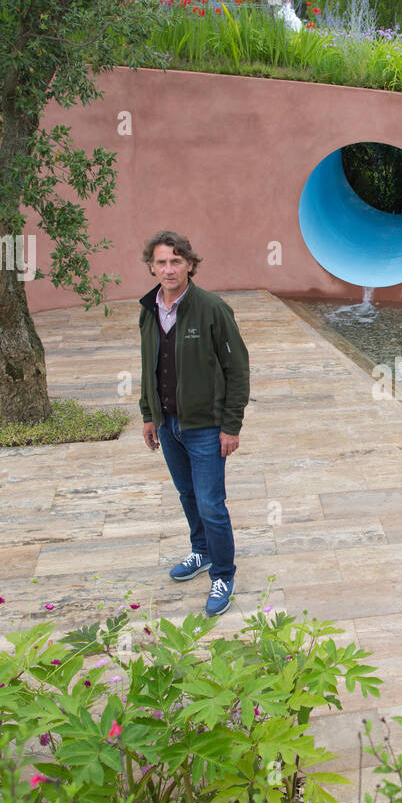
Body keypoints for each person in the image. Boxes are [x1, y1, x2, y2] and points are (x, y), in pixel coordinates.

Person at [138, 230, 250, 616]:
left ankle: (223, 574)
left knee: (211, 503)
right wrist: (149, 415)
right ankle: (200, 552)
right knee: (188, 496)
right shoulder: (149, 310)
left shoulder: (212, 309)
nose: (168, 269)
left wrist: (230, 426)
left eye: (176, 261)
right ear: (152, 267)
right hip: (168, 425)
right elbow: (146, 365)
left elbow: (238, 370)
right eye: (161, 262)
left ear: (189, 265)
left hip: (205, 428)